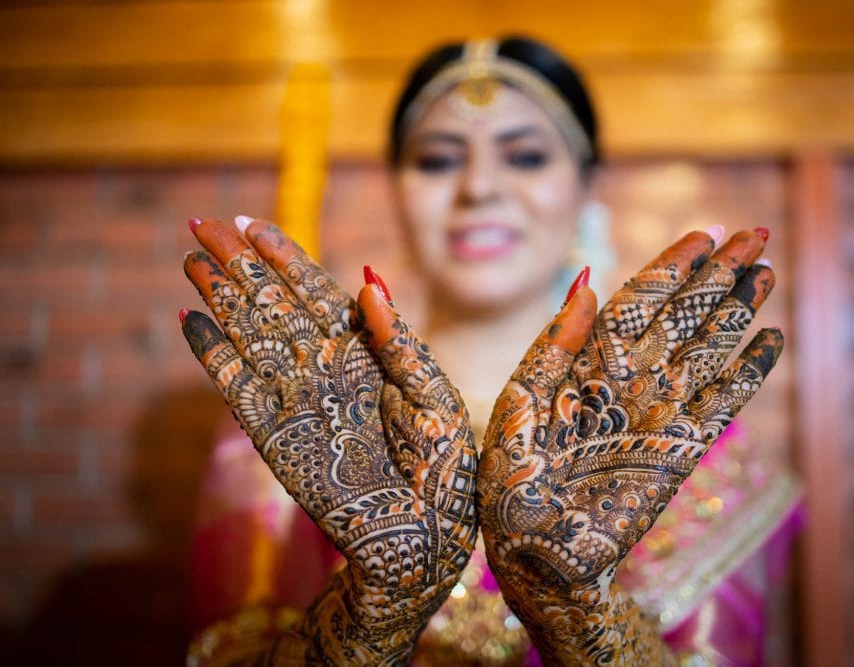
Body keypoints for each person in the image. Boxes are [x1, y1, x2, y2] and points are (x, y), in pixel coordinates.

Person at [183, 36, 800, 666]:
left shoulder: (683, 447)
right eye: (438, 159)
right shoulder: (306, 422)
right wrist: (373, 615)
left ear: (586, 186)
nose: (478, 186)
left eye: (526, 157)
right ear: (397, 190)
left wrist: (577, 615)